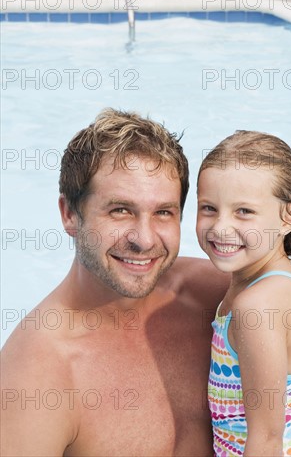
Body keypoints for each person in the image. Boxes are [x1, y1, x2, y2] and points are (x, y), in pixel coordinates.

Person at [1, 108, 229, 456]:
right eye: (120, 210)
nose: (144, 239)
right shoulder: (37, 376)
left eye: (163, 212)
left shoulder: (216, 298)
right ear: (69, 214)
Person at [196, 130, 291, 456]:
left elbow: (266, 441)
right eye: (208, 208)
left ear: (290, 216)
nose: (220, 227)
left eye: (243, 211)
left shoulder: (256, 308)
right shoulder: (285, 279)